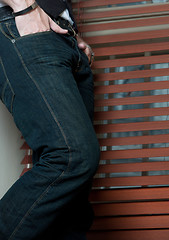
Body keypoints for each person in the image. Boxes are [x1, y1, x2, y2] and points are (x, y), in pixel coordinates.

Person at [0, 0, 100, 239]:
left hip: (61, 39)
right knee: (71, 156)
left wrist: (67, 31)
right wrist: (24, 7)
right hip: (21, 26)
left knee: (69, 207)